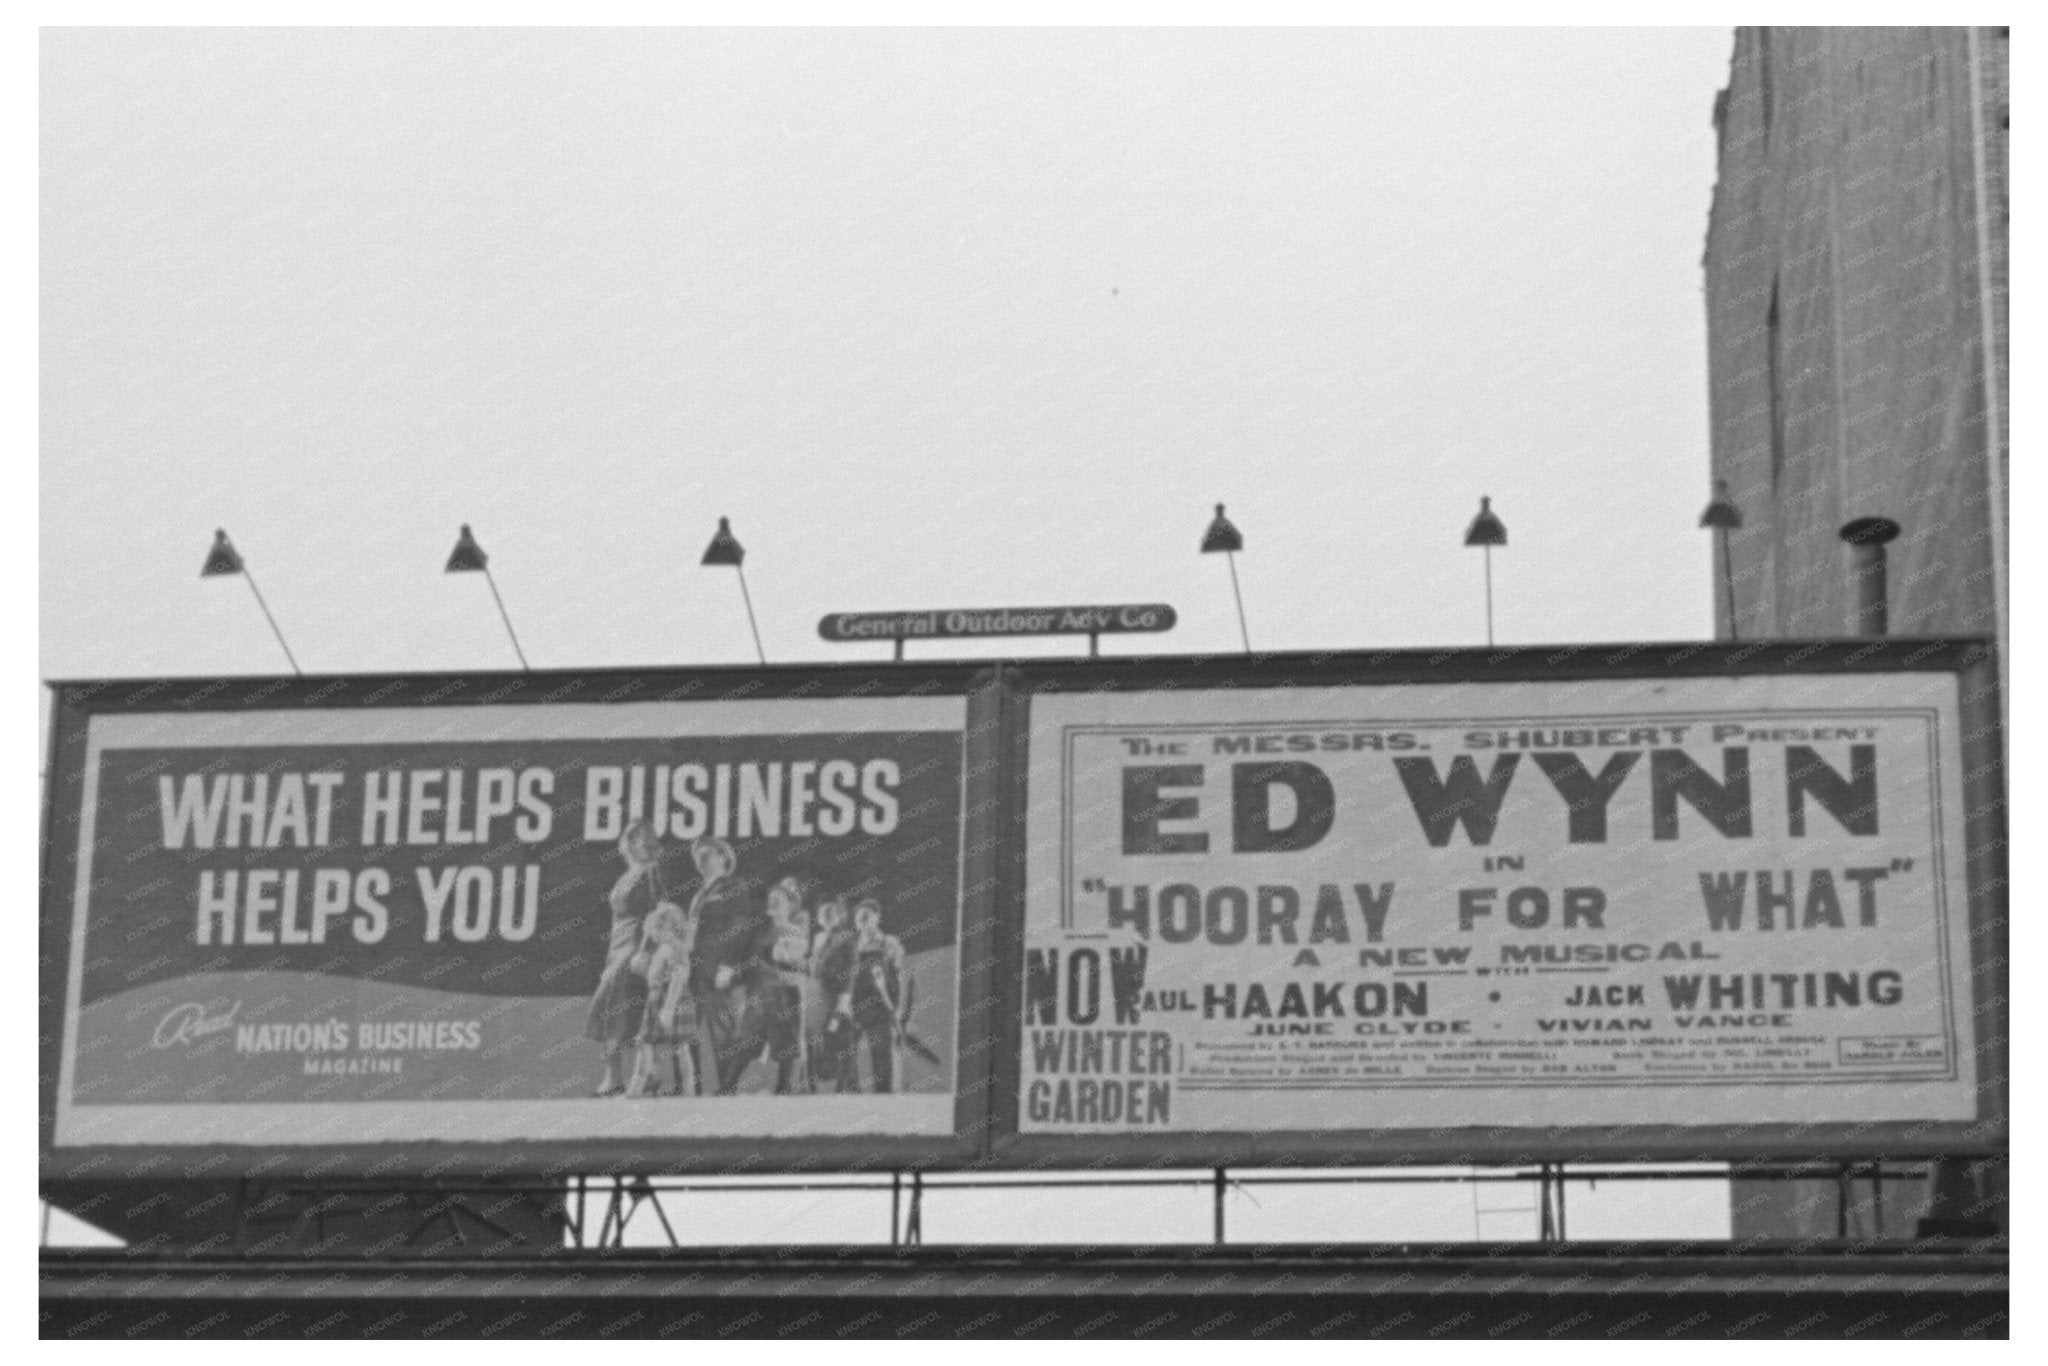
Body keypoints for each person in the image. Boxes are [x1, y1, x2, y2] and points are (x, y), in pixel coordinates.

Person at [584, 819, 671, 1096]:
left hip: (636, 944)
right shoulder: (626, 875)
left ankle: (647, 1075)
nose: (635, 844)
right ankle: (615, 1078)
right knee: (609, 1010)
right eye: (631, 839)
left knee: (628, 1012)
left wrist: (645, 950)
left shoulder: (652, 870)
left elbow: (658, 911)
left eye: (642, 839)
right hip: (617, 947)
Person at [625, 901, 700, 1098]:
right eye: (654, 926)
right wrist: (642, 968)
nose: (655, 931)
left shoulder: (675, 947)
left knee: (655, 1043)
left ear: (673, 927)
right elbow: (656, 977)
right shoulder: (661, 949)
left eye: (661, 926)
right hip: (657, 999)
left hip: (670, 1000)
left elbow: (679, 977)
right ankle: (688, 1091)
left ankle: (638, 1089)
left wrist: (668, 1008)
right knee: (666, 1045)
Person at [838, 898, 912, 1093]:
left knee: (883, 1060)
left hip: (881, 1009)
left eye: (867, 916)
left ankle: (884, 1102)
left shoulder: (889, 943)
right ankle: (852, 1104)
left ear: (877, 918)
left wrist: (899, 1010)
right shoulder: (850, 946)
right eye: (858, 917)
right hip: (853, 1008)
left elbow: (899, 977)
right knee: (847, 1057)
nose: (862, 920)